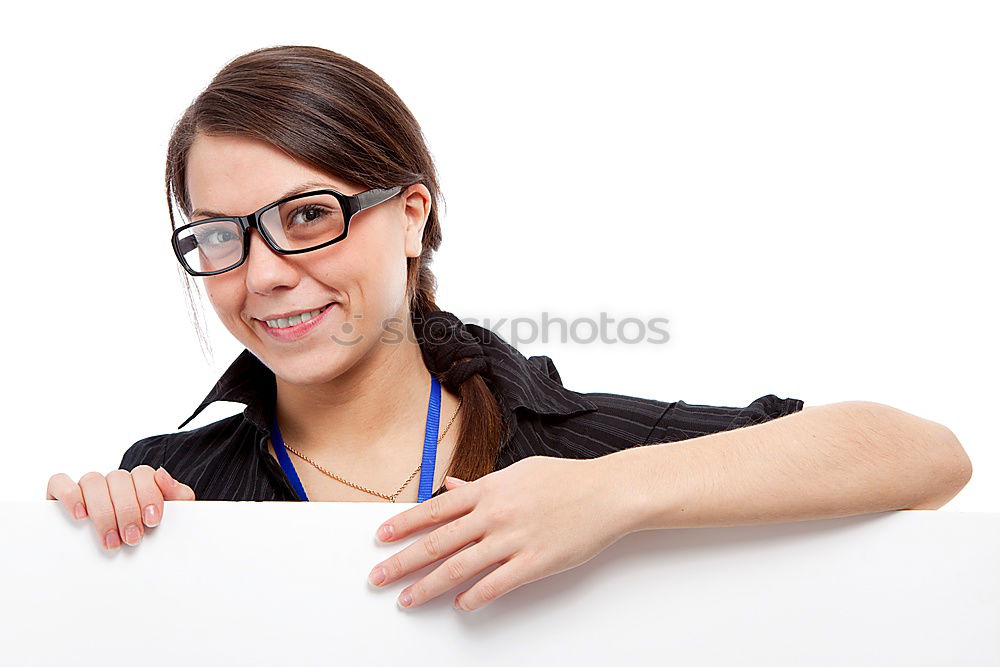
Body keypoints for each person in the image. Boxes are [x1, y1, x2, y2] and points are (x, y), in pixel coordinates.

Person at [46, 45, 972, 612]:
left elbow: (925, 457)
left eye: (307, 215)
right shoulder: (178, 486)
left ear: (410, 214)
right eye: (219, 236)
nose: (265, 274)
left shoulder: (567, 447)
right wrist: (97, 552)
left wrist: (610, 494)